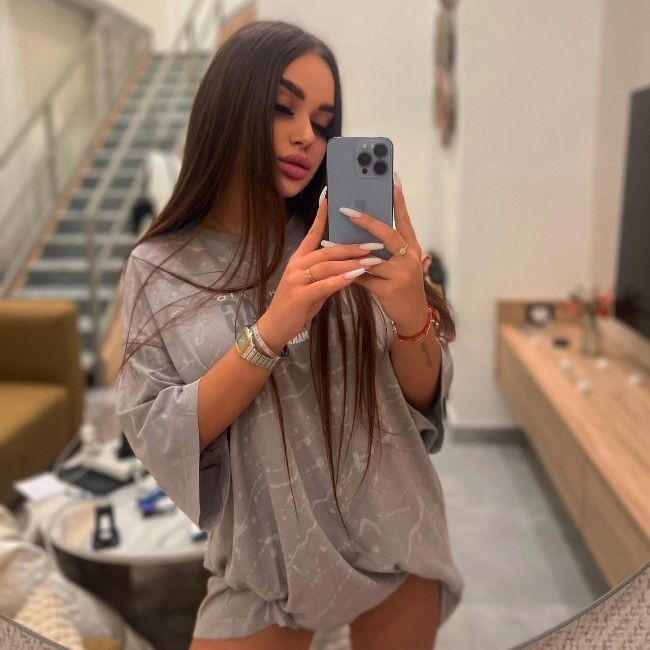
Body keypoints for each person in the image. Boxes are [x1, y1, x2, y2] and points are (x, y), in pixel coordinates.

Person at [115, 20, 464, 650]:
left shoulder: (345, 240)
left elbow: (420, 403)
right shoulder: (159, 268)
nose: (307, 136)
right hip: (266, 558)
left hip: (396, 530)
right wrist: (272, 329)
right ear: (229, 110)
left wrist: (414, 314)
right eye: (283, 109)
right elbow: (160, 429)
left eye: (324, 122)